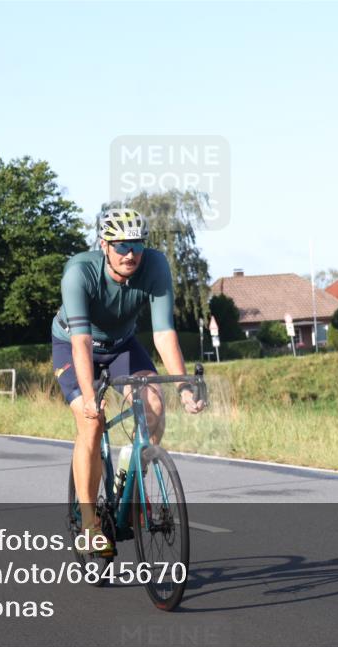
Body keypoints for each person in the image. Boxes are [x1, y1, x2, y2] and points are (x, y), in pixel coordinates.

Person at [51, 208, 205, 555]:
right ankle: (90, 524)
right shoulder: (79, 272)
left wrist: (183, 388)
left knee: (154, 404)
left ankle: (128, 470)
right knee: (91, 422)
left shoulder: (156, 265)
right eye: (121, 246)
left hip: (122, 345)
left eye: (136, 245)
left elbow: (164, 334)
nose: (130, 254)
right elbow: (81, 342)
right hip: (75, 345)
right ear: (104, 245)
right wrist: (90, 396)